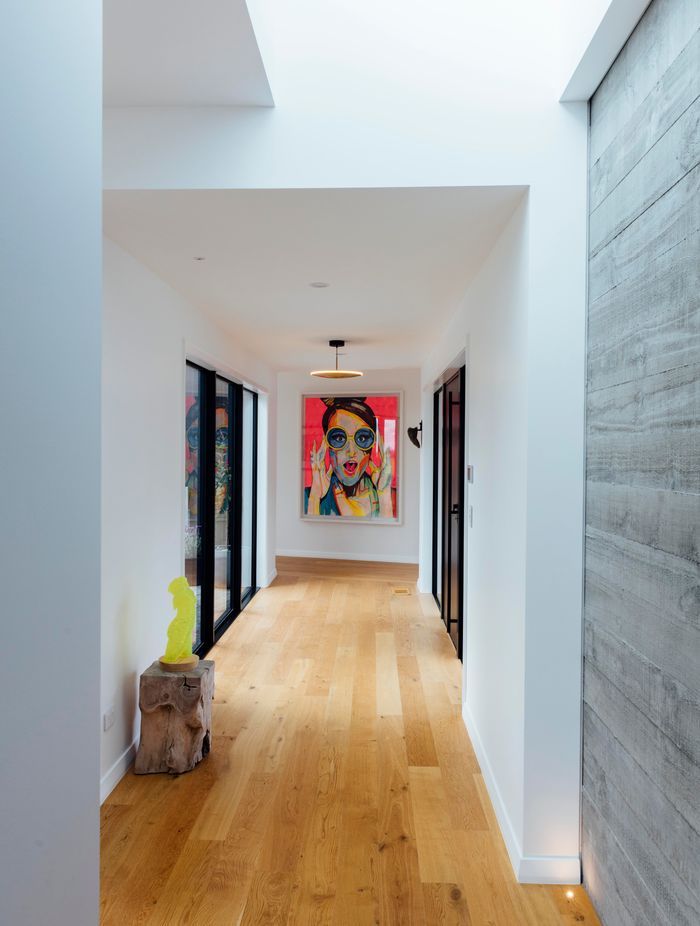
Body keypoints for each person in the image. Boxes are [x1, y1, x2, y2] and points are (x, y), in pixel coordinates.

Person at [306, 396, 394, 517]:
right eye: (339, 438)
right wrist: (315, 498)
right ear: (327, 444)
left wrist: (384, 497)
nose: (351, 452)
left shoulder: (392, 497)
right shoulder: (307, 497)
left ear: (372, 445)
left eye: (362, 438)